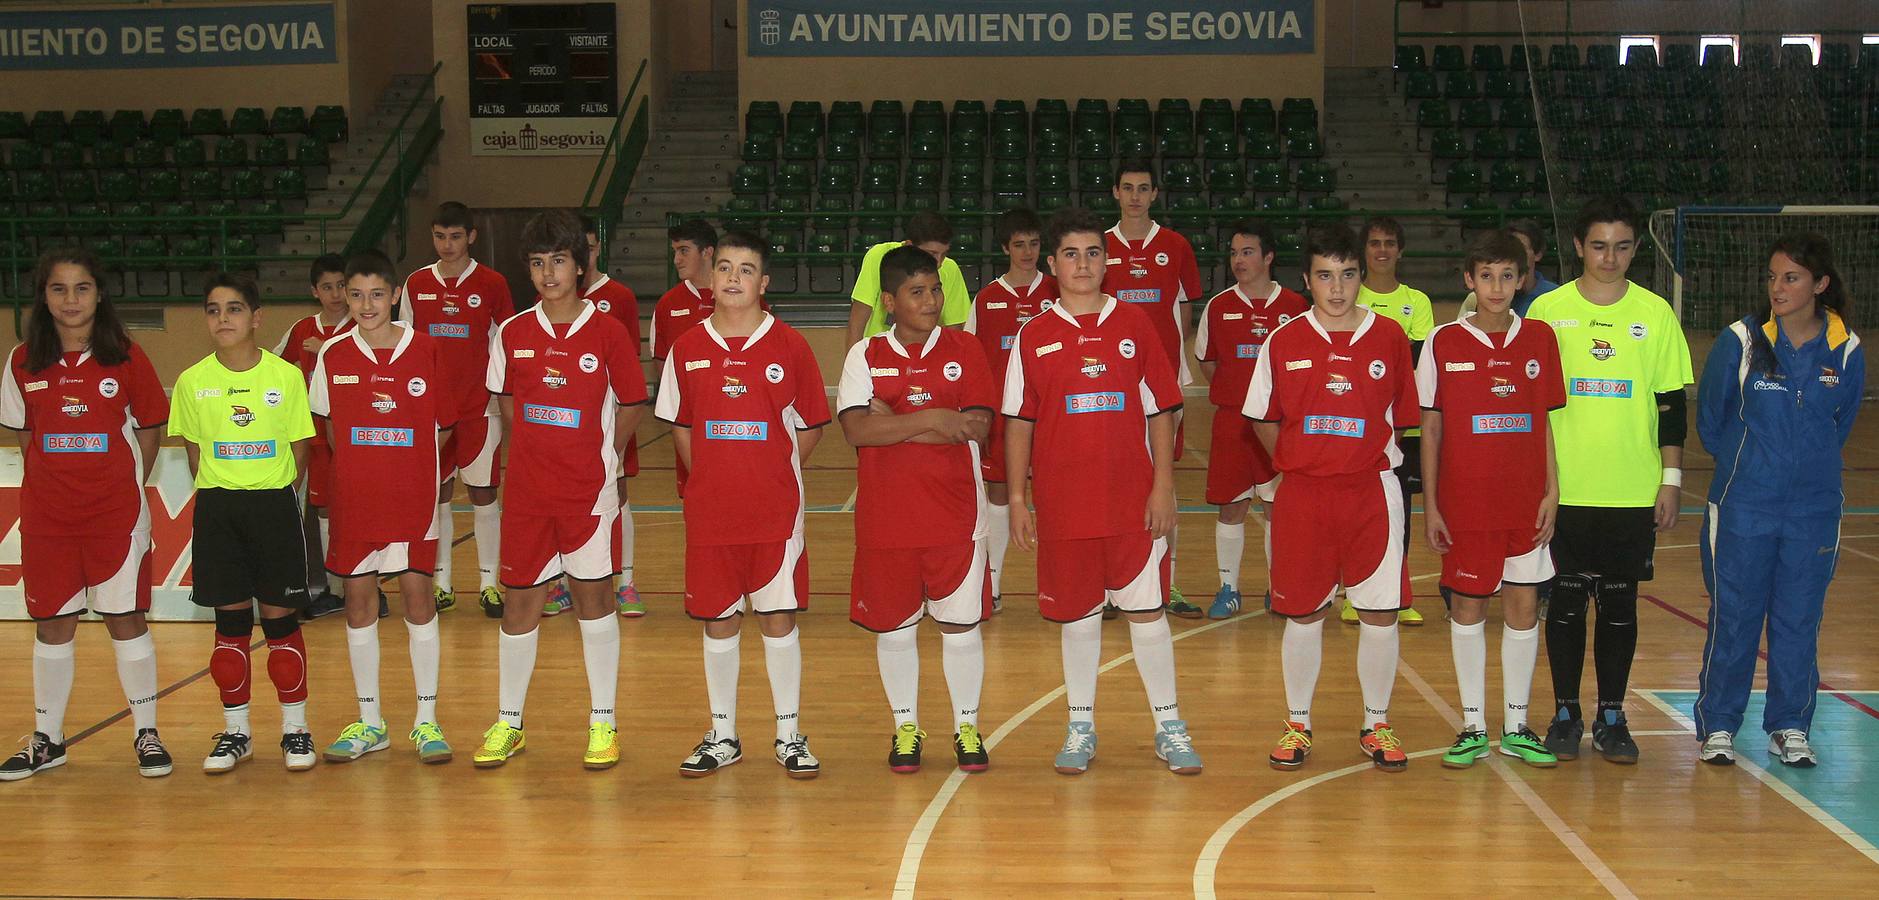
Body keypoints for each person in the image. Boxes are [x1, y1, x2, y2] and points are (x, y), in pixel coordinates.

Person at [1004, 207, 1201, 776]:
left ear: (1108, 260)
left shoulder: (1135, 324)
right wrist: (1018, 499)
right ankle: (1081, 725)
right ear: (1052, 265)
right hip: (1065, 507)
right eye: (1071, 254)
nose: (1083, 263)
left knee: (1148, 614)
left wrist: (1163, 486)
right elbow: (1018, 420)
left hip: (1133, 502)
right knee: (1079, 617)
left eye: (1093, 253)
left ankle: (1170, 726)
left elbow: (1164, 408)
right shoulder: (1033, 334)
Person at [471, 210, 647, 770]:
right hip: (527, 495)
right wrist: (535, 458)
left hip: (587, 495)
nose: (548, 273)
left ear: (580, 265)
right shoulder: (514, 332)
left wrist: (604, 459)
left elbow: (633, 403)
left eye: (559, 261)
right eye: (538, 263)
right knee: (519, 605)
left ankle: (603, 724)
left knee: (594, 602)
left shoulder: (608, 330)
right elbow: (508, 406)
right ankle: (509, 723)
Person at [1244, 224, 1418, 773]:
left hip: (1373, 492)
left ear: (1362, 279)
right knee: (1303, 613)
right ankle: (1298, 723)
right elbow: (1263, 419)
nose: (1337, 288)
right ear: (1307, 280)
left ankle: (1377, 722)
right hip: (1304, 496)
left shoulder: (1389, 337)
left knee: (1381, 613)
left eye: (1347, 276)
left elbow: (1406, 418)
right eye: (1325, 276)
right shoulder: (1284, 340)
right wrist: (1300, 461)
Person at [656, 230, 829, 780]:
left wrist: (776, 469)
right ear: (710, 278)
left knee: (777, 617)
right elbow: (682, 429)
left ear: (764, 282)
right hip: (711, 510)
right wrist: (707, 475)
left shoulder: (790, 345)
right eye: (725, 268)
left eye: (746, 269)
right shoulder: (687, 348)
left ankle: (788, 733)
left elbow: (811, 427)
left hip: (774, 510)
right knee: (718, 619)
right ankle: (724, 733)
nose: (733, 278)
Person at [1526, 196, 1692, 765]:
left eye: (1622, 246)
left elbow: (1670, 404)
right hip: (1565, 490)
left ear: (1635, 250)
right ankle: (1567, 712)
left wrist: (1669, 479)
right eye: (1599, 245)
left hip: (1631, 489)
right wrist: (1536, 483)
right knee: (1567, 606)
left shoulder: (1656, 314)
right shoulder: (1548, 312)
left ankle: (1613, 715)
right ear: (1578, 247)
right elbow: (1531, 406)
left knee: (1621, 609)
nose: (1610, 257)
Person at [0, 248, 170, 781]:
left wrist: (121, 485)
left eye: (81, 288)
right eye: (58, 289)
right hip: (49, 518)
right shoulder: (22, 360)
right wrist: (57, 483)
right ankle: (48, 739)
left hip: (114, 515)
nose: (70, 300)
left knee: (126, 618)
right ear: (43, 297)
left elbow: (149, 430)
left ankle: (147, 733)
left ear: (99, 294)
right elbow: (27, 436)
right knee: (53, 624)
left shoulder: (126, 355)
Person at [1694, 233, 1862, 768]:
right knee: (1735, 617)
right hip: (1744, 507)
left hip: (1813, 511)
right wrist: (1753, 472)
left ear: (1820, 284)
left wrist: (1801, 471)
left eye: (1790, 278)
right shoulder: (1740, 341)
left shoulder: (1847, 350)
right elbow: (1712, 422)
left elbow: (1841, 423)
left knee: (1798, 619)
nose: (1777, 288)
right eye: (1771, 277)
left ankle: (1790, 724)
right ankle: (1719, 724)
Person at [838, 245, 997, 773]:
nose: (931, 302)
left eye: (935, 290)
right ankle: (905, 726)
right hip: (887, 521)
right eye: (917, 292)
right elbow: (857, 431)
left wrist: (898, 421)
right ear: (888, 301)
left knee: (961, 627)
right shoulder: (863, 355)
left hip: (956, 518)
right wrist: (935, 418)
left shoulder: (967, 348)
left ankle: (967, 727)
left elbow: (976, 427)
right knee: (895, 629)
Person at [1418, 231, 1565, 770]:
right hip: (1465, 504)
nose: (1497, 286)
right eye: (1486, 276)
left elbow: (1545, 422)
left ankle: (1518, 724)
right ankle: (1473, 725)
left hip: (1526, 503)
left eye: (1508, 276)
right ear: (1468, 280)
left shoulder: (1541, 339)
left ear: (1522, 279)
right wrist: (1432, 505)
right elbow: (1430, 431)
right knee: (1468, 605)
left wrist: (1552, 490)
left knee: (1524, 607)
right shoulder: (1442, 342)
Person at [310, 250, 456, 765]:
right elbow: (329, 430)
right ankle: (370, 721)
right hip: (356, 504)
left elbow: (444, 427)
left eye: (377, 294)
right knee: (358, 604)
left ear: (395, 295)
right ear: (342, 297)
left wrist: (411, 470)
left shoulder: (427, 350)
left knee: (418, 601)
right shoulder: (333, 355)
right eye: (355, 295)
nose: (366, 304)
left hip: (412, 501)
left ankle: (426, 719)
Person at [169, 272, 319, 773]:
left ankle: (296, 730)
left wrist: (272, 490)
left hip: (272, 508)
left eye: (233, 309)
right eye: (213, 310)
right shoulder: (192, 382)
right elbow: (194, 454)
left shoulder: (286, 377)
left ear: (256, 318)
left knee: (280, 626)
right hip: (218, 510)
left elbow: (301, 449)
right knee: (230, 629)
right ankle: (237, 733)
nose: (222, 318)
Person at [399, 201, 516, 618]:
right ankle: (442, 582)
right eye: (438, 236)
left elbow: (506, 343)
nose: (446, 245)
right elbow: (406, 347)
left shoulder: (493, 283)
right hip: (432, 412)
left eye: (454, 236)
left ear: (471, 236)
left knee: (483, 493)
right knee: (437, 495)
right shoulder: (415, 283)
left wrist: (498, 396)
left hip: (479, 408)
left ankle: (489, 583)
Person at [1103, 158, 1203, 617]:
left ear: (1155, 194)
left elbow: (1182, 314)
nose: (1136, 196)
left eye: (1144, 188)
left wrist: (1175, 369)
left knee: (1163, 479)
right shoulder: (1099, 247)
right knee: (1114, 478)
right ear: (1116, 193)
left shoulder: (1176, 245)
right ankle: (1109, 587)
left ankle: (1168, 582)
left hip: (1162, 384)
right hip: (1112, 383)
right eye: (1128, 188)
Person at [1193, 220, 1309, 620]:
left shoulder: (1295, 308)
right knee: (1232, 509)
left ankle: (1279, 586)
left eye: (1247, 252)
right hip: (1232, 426)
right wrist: (1236, 397)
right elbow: (1209, 363)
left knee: (1279, 508)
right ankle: (1229, 588)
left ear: (1269, 257)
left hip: (1279, 426)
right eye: (1234, 253)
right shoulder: (1218, 306)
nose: (1238, 260)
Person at [542, 216, 646, 620]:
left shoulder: (618, 297)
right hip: (564, 434)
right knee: (563, 503)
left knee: (616, 497)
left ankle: (626, 582)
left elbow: (628, 374)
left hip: (611, 421)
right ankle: (563, 582)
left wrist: (610, 442)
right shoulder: (544, 310)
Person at [964, 207, 1058, 613]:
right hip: (1004, 417)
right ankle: (994, 584)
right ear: (1005, 248)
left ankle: (1077, 586)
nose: (1027, 252)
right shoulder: (985, 299)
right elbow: (970, 360)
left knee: (1060, 495)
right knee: (1000, 493)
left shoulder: (1058, 292)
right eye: (1018, 245)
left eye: (1034, 244)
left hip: (1055, 415)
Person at [1348, 216, 1431, 626]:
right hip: (1358, 424)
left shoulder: (1417, 301)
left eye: (1389, 243)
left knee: (1398, 508)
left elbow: (1413, 362)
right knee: (1356, 511)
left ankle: (1398, 594)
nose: (1382, 250)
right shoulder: (1350, 292)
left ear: (1400, 251)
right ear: (1364, 252)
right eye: (1375, 243)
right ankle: (1353, 592)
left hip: (1404, 425)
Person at [277, 254, 355, 620]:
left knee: (351, 506)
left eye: (342, 285)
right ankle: (330, 585)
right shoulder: (301, 329)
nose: (336, 294)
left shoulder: (363, 324)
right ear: (314, 291)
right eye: (327, 287)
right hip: (313, 434)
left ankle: (358, 584)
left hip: (354, 433)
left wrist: (326, 351)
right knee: (321, 507)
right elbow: (275, 367)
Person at [651, 218, 720, 499]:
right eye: (675, 252)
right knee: (697, 498)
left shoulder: (739, 294)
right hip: (690, 423)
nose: (677, 259)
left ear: (707, 252)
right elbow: (661, 365)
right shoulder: (668, 304)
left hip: (736, 416)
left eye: (684, 250)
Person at [845, 211, 972, 347]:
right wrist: (852, 362)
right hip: (877, 356)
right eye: (932, 253)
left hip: (926, 357)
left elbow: (955, 328)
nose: (939, 262)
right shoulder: (878, 256)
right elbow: (857, 321)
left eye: (944, 254)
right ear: (909, 245)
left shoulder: (951, 269)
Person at [1457, 219, 1560, 320]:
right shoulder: (1476, 298)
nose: (1513, 255)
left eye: (1521, 249)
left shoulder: (1556, 296)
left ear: (1538, 254)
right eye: (1486, 276)